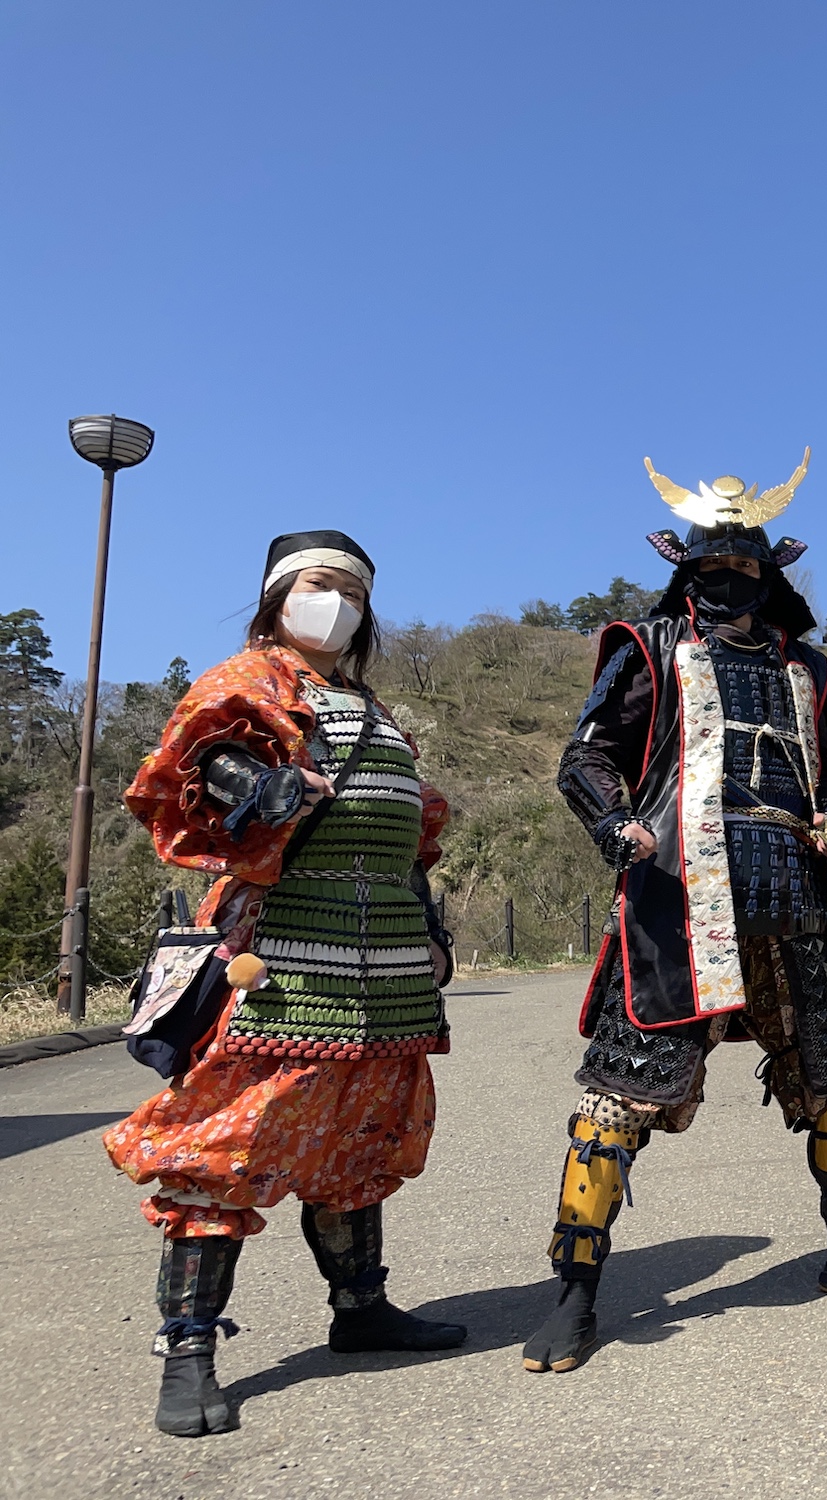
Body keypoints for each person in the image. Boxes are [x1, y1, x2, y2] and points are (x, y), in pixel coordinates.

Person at [522, 453, 827, 1376]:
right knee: (621, 1089)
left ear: (771, 573)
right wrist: (615, 823)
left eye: (745, 566)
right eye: (713, 565)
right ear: (685, 568)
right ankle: (575, 1294)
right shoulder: (649, 646)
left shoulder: (805, 667)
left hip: (794, 886)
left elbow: (824, 775)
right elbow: (586, 757)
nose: (730, 578)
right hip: (679, 890)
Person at [107, 530, 465, 1439]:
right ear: (277, 596)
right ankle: (188, 1350)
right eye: (319, 583)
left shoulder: (372, 707)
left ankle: (361, 1310)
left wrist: (429, 931)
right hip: (281, 946)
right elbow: (200, 762)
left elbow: (409, 841)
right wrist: (256, 788)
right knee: (226, 1142)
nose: (337, 602)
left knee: (361, 1135)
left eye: (353, 590)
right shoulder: (250, 679)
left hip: (385, 958)